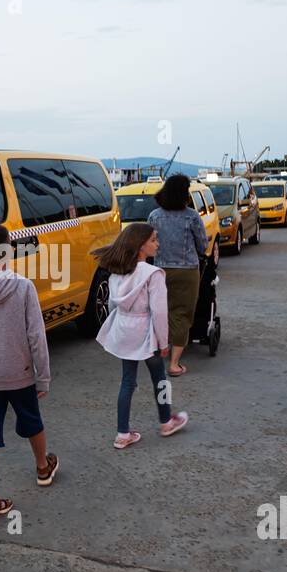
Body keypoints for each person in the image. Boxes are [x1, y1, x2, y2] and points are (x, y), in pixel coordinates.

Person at [0, 224, 59, 524]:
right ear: (8, 250)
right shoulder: (23, 287)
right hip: (19, 371)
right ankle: (43, 467)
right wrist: (42, 375)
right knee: (32, 420)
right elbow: (36, 336)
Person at [92, 223, 190, 448]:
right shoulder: (153, 274)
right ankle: (166, 421)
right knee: (160, 379)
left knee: (128, 381)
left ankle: (122, 433)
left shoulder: (118, 271)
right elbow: (159, 311)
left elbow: (111, 303)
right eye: (154, 240)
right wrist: (163, 341)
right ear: (140, 246)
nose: (158, 243)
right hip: (147, 333)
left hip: (125, 330)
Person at [146, 174, 208, 378]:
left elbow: (147, 244)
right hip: (186, 272)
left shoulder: (154, 216)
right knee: (181, 314)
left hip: (160, 271)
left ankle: (156, 353)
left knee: (160, 312)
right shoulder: (191, 216)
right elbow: (203, 245)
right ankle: (174, 364)